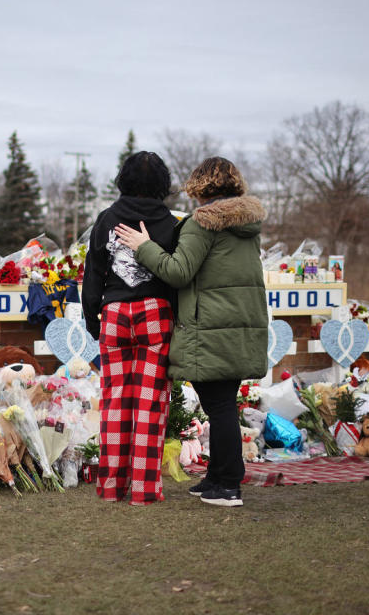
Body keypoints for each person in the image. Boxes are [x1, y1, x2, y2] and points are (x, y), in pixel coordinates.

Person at [115, 157, 268, 508]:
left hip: (211, 326)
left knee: (220, 405)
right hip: (238, 323)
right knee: (223, 402)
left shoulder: (202, 224)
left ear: (200, 185)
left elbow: (179, 271)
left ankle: (228, 485)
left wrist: (143, 246)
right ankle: (217, 477)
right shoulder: (247, 225)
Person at [81, 151, 179, 506]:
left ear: (122, 179)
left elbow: (92, 276)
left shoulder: (106, 219)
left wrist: (94, 321)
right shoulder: (170, 222)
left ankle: (110, 487)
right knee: (150, 404)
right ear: (162, 183)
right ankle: (143, 490)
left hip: (114, 312)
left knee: (115, 402)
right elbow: (175, 275)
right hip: (155, 312)